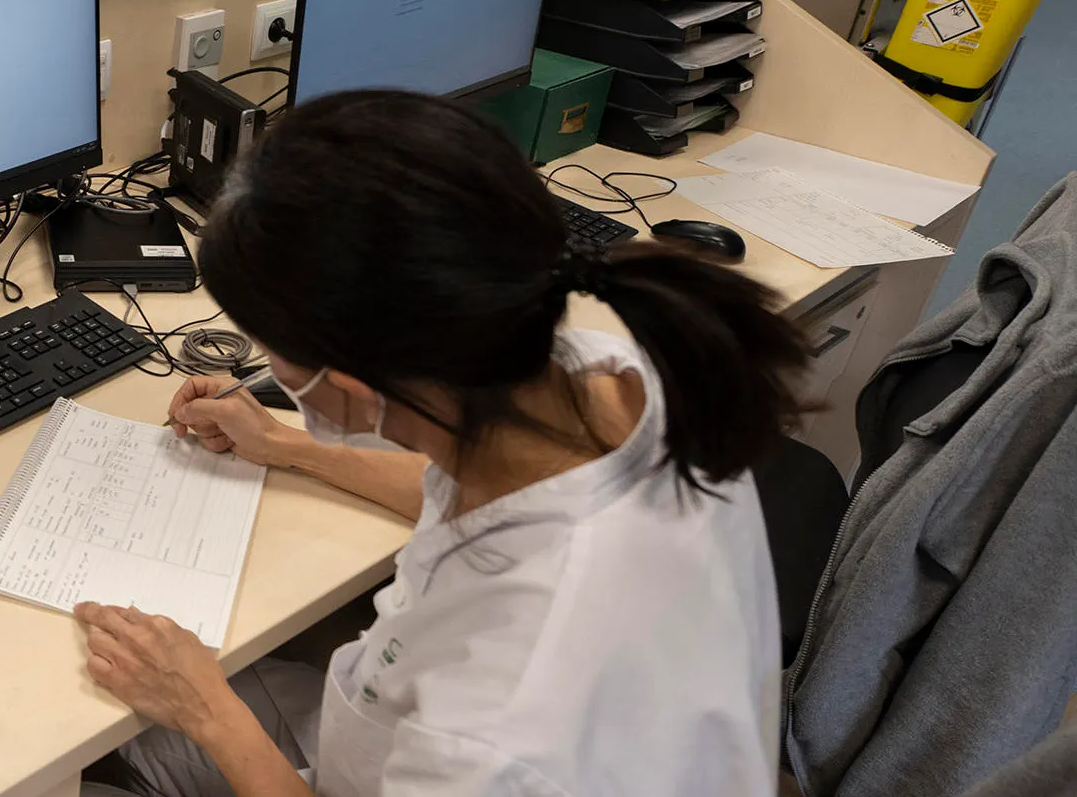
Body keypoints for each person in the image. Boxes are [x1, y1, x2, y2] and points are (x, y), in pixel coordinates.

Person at [74, 91, 809, 797]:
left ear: (355, 386)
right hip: (411, 737)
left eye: (267, 348)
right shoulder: (599, 378)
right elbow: (471, 490)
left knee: (83, 761)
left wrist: (206, 710)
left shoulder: (495, 725)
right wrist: (290, 446)